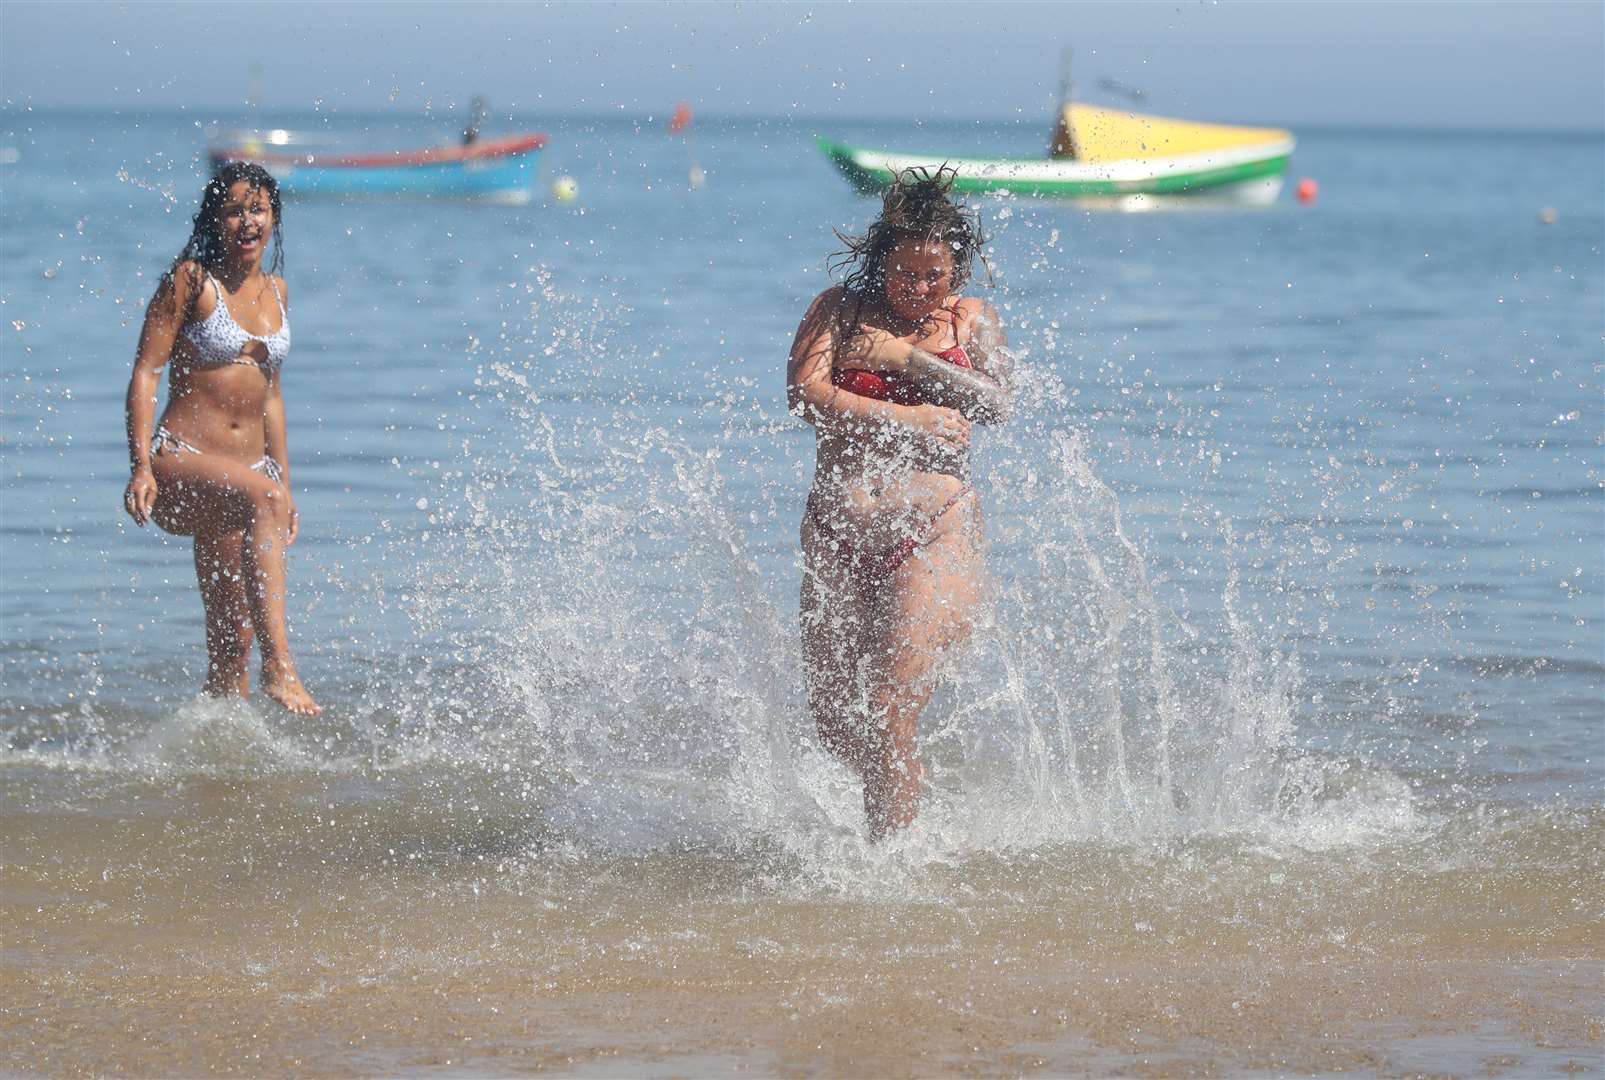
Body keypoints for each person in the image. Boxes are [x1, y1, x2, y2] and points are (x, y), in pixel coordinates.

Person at [787, 167, 1013, 840]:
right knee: (833, 720)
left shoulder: (970, 320)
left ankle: (892, 867)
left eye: (933, 276)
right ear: (879, 260)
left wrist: (909, 363)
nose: (918, 289)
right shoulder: (837, 310)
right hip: (833, 532)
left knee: (887, 709)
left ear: (955, 269)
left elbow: (996, 404)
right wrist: (909, 420)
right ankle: (904, 800)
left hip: (932, 535)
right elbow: (804, 397)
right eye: (904, 274)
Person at [122, 162, 321, 715]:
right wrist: (140, 465)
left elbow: (272, 396)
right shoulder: (189, 280)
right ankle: (282, 668)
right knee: (261, 499)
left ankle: (217, 759)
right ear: (215, 218)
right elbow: (145, 373)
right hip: (180, 465)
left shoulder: (278, 291)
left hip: (247, 482)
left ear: (273, 219)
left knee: (233, 641)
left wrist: (283, 481)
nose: (246, 221)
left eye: (256, 209)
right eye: (233, 210)